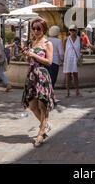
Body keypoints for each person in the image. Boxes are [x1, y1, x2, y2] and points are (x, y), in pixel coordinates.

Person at [22, 18, 55, 147]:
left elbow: (49, 62)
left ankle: (41, 133)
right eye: (34, 28)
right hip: (31, 75)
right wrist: (27, 56)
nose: (35, 31)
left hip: (42, 75)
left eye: (38, 28)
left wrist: (34, 56)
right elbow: (29, 61)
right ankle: (45, 125)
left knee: (42, 105)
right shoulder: (32, 43)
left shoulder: (48, 43)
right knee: (32, 105)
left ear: (44, 29)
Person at [64, 25, 82, 97]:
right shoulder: (66, 39)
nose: (72, 32)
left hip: (75, 59)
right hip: (68, 59)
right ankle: (67, 92)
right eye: (71, 30)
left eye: (74, 30)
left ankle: (77, 91)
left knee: (76, 76)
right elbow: (64, 49)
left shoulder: (79, 39)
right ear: (69, 31)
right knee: (67, 76)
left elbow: (80, 49)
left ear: (76, 31)